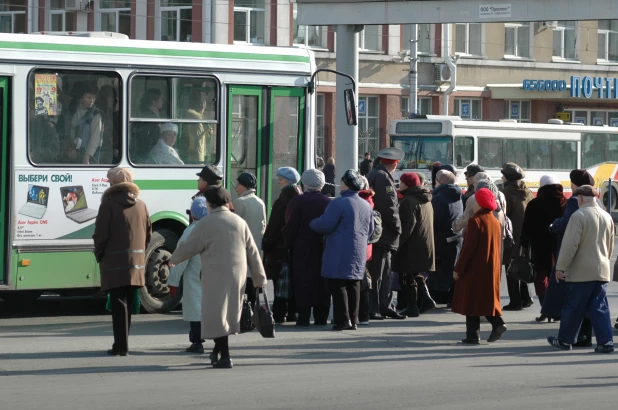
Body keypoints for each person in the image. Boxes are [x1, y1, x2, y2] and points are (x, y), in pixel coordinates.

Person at [170, 186, 268, 369]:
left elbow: (189, 246)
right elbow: (253, 252)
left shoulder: (206, 223)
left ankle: (225, 356)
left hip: (215, 274)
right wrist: (259, 279)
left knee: (217, 315)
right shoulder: (239, 222)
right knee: (228, 314)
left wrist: (173, 259)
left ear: (210, 203)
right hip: (238, 275)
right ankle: (217, 350)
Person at [547, 185, 614, 353]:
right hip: (601, 269)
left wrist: (560, 266)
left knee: (573, 307)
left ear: (581, 198)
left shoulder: (579, 215)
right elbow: (610, 245)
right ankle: (606, 342)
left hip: (581, 271)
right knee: (600, 308)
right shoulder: (607, 216)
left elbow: (570, 245)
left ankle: (565, 340)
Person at [92, 168, 152, 356]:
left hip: (114, 263)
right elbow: (149, 234)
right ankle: (122, 343)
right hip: (136, 262)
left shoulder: (108, 205)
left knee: (118, 304)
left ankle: (121, 346)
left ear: (113, 185)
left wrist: (99, 254)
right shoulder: (141, 205)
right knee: (127, 303)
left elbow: (100, 234)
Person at [310, 170, 374, 331]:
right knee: (354, 284)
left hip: (339, 250)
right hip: (358, 250)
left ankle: (342, 320)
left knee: (338, 285)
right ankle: (354, 319)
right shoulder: (366, 205)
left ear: (346, 184)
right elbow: (371, 230)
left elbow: (325, 224)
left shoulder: (338, 203)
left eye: (342, 181)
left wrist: (312, 222)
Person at [542, 169, 597, 344]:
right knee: (589, 301)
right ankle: (588, 336)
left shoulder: (575, 201)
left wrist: (554, 224)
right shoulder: (596, 202)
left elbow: (569, 225)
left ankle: (570, 337)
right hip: (594, 257)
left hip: (575, 257)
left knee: (572, 300)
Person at [452, 188, 507, 344]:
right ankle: (476, 334)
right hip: (490, 266)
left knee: (472, 299)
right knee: (481, 299)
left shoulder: (475, 222)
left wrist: (458, 269)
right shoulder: (494, 221)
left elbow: (468, 249)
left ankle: (492, 326)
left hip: (475, 268)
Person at [284, 169, 331, 326]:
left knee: (303, 280)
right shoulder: (328, 202)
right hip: (323, 247)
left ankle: (303, 316)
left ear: (304, 183)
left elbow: (290, 225)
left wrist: (286, 245)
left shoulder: (297, 201)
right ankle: (321, 316)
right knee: (322, 282)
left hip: (302, 247)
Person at [366, 147, 406, 320]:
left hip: (378, 231)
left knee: (380, 271)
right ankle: (379, 306)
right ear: (395, 164)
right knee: (381, 271)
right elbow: (390, 207)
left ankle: (381, 306)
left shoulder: (375, 174)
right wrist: (398, 227)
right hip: (384, 232)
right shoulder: (383, 178)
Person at [520, 175, 566, 321]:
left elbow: (526, 228)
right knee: (560, 277)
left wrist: (524, 245)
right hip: (561, 246)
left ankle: (546, 310)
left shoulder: (535, 204)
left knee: (541, 278)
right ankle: (558, 310)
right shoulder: (565, 203)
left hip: (539, 246)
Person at [168, 197, 208, 353]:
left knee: (195, 306)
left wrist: (173, 282)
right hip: (213, 274)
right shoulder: (214, 228)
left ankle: (197, 342)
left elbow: (180, 258)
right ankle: (219, 342)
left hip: (195, 274)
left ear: (193, 214)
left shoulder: (191, 230)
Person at [393, 172, 436, 317]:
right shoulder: (426, 199)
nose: (400, 184)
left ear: (408, 184)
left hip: (411, 245)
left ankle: (412, 306)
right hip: (423, 243)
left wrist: (397, 244)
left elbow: (407, 226)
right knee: (416, 273)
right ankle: (426, 298)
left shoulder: (408, 201)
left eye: (402, 182)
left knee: (406, 275)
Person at [262, 167, 302, 323]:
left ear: (286, 181)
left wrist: (266, 243)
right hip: (293, 247)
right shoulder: (298, 197)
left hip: (279, 248)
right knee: (291, 280)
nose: (278, 181)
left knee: (280, 282)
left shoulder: (283, 200)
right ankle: (292, 312)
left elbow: (274, 227)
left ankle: (279, 313)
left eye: (280, 178)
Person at [499, 162, 534, 311]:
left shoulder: (506, 193)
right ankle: (526, 297)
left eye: (503, 175)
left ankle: (515, 301)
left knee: (510, 267)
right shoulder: (528, 192)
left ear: (508, 177)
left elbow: (503, 215)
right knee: (522, 264)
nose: (502, 177)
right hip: (526, 233)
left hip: (512, 235)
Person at [429, 169, 463, 305]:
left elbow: (435, 220)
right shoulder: (457, 196)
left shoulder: (439, 198)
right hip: (455, 237)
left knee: (440, 270)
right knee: (452, 267)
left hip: (441, 238)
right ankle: (451, 296)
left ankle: (441, 295)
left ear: (439, 182)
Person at [232, 172, 266, 306]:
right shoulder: (260, 202)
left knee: (242, 284)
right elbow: (264, 224)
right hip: (256, 247)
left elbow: (234, 226)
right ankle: (253, 314)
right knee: (253, 284)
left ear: (244, 186)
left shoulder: (239, 202)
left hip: (242, 248)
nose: (236, 187)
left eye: (238, 184)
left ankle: (244, 316)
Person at [60, 82, 102, 164]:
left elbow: (95, 138)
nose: (92, 100)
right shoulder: (72, 111)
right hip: (70, 154)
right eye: (88, 97)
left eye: (94, 98)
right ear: (81, 97)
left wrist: (87, 156)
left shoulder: (96, 115)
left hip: (86, 157)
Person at [358, 176, 375, 325]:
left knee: (361, 283)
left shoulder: (361, 201)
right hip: (367, 248)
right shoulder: (369, 200)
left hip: (360, 248)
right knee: (364, 282)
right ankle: (364, 315)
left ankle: (362, 315)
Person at [181, 90, 213, 164]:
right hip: (196, 152)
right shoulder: (194, 117)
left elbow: (201, 136)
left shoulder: (199, 120)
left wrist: (207, 132)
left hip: (199, 150)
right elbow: (197, 141)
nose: (203, 105)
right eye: (202, 102)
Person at [96, 85, 120, 164]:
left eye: (113, 97)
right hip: (104, 150)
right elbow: (108, 133)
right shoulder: (100, 113)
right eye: (109, 97)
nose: (112, 100)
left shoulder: (111, 113)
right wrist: (114, 147)